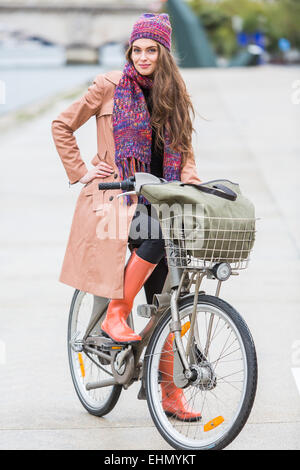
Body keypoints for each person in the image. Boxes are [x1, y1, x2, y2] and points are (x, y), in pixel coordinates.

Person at [52, 13, 202, 420]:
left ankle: (170, 392)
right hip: (118, 202)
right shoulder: (109, 87)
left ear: (163, 53)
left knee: (168, 299)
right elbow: (61, 125)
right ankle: (115, 313)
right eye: (136, 49)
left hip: (159, 199)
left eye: (151, 49)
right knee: (153, 236)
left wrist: (192, 183)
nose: (142, 56)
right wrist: (83, 171)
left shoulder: (175, 92)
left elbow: (184, 151)